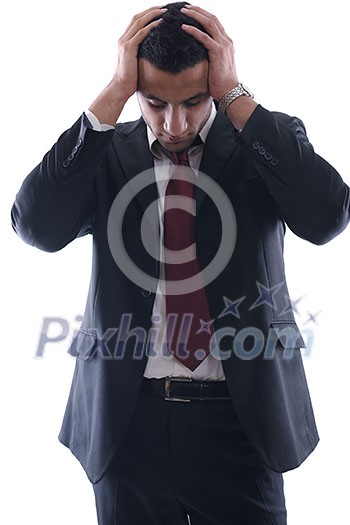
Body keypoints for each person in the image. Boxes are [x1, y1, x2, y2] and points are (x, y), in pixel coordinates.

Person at [11, 2, 350, 524]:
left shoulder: (262, 143)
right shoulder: (107, 154)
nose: (174, 123)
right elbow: (34, 225)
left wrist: (236, 96)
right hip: (129, 425)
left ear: (215, 83)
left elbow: (328, 218)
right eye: (153, 102)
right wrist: (113, 95)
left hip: (240, 424)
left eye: (193, 102)